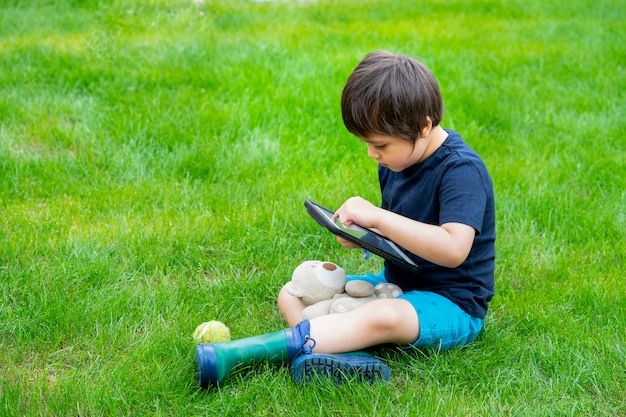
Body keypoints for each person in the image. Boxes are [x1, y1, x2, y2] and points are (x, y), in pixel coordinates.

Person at [196, 50, 496, 388]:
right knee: (293, 292)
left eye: (380, 144)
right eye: (367, 143)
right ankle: (331, 357)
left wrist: (379, 218)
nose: (372, 154)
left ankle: (239, 355)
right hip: (397, 283)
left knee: (383, 316)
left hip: (451, 301)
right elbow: (405, 236)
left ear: (424, 126)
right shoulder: (396, 161)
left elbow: (454, 248)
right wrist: (366, 235)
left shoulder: (461, 170)